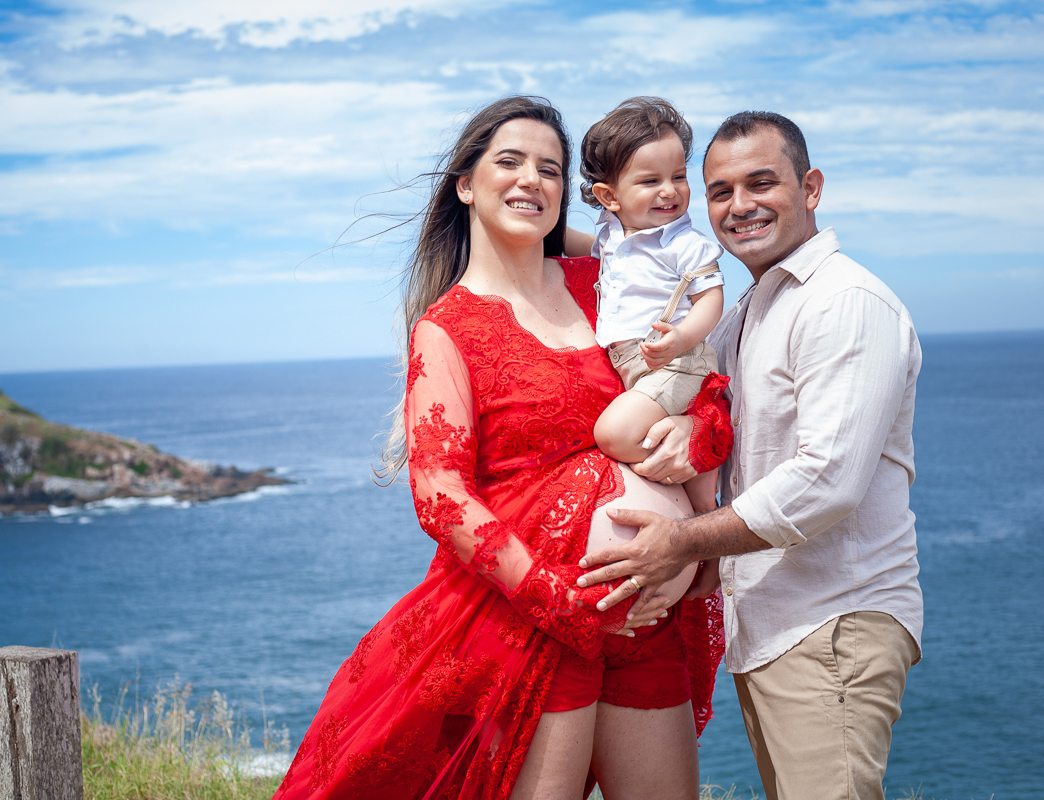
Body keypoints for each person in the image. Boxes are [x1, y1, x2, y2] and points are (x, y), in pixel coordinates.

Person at [273, 96, 731, 800]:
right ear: (466, 183)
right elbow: (441, 496)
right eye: (509, 161)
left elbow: (689, 380)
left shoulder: (601, 284)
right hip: (537, 629)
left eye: (549, 167)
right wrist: (561, 605)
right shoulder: (447, 328)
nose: (532, 180)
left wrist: (692, 453)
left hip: (647, 615)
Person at [579, 111, 924, 800]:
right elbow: (728, 423)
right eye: (720, 190)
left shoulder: (844, 303)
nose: (739, 206)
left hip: (833, 621)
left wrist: (682, 542)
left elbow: (826, 481)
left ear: (811, 187)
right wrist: (691, 432)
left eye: (761, 183)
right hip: (776, 622)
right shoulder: (750, 310)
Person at [570, 97, 726, 516]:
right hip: (634, 364)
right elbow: (574, 245)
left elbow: (710, 298)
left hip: (676, 361)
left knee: (613, 434)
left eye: (678, 175)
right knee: (697, 499)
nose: (670, 190)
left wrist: (682, 338)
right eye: (650, 180)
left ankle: (702, 452)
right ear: (609, 196)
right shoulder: (611, 237)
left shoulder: (683, 243)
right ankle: (700, 510)